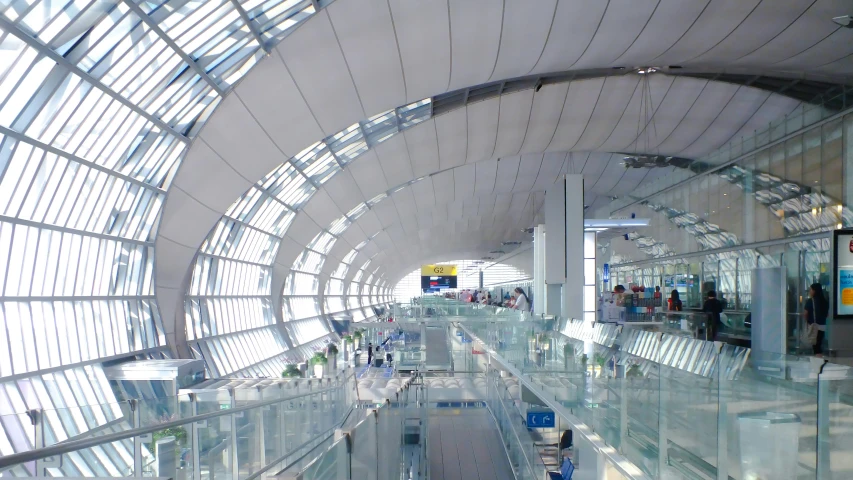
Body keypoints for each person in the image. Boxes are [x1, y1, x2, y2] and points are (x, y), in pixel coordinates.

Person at [804, 283, 829, 356]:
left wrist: (807, 321)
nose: (809, 291)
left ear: (814, 291)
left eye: (811, 289)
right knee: (819, 344)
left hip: (814, 326)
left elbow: (805, 313)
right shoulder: (825, 301)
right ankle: (818, 359)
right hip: (822, 326)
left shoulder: (810, 301)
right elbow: (827, 315)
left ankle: (818, 362)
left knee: (815, 346)